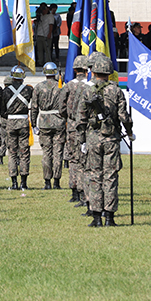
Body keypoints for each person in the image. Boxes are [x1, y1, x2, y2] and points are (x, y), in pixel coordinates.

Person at [77, 52, 133, 227]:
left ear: (93, 72)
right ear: (109, 71)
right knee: (110, 177)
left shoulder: (87, 91)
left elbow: (81, 118)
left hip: (93, 138)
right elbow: (124, 116)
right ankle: (109, 217)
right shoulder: (116, 91)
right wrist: (130, 132)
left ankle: (96, 218)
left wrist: (82, 141)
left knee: (95, 177)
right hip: (111, 139)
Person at [31, 62, 67, 190]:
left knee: (47, 153)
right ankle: (56, 181)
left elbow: (34, 108)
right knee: (58, 153)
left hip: (45, 123)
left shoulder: (39, 87)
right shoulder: (61, 86)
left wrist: (33, 123)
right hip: (59, 122)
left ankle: (47, 182)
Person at [63, 55, 90, 204]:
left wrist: (69, 116)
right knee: (86, 160)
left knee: (73, 159)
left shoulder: (69, 86)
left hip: (73, 126)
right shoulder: (90, 85)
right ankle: (86, 191)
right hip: (87, 127)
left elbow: (61, 106)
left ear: (74, 69)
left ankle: (75, 191)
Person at [2, 65, 34, 190]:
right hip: (23, 122)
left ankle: (14, 182)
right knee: (24, 152)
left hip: (10, 122)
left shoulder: (5, 91)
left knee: (12, 153)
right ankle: (24, 183)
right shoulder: (28, 90)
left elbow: (2, 109)